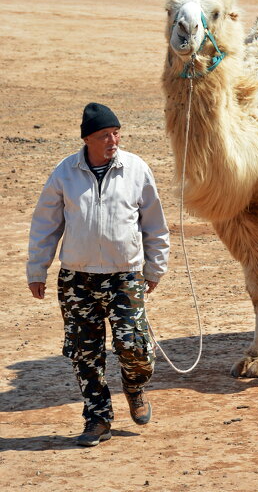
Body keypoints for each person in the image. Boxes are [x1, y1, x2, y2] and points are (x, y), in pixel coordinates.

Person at [27, 102, 170, 447]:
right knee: (84, 353)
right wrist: (37, 269)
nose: (113, 140)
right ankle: (97, 418)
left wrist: (155, 267)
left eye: (116, 133)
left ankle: (135, 388)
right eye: (105, 135)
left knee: (133, 346)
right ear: (87, 139)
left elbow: (155, 225)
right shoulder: (65, 173)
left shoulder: (136, 169)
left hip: (125, 276)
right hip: (77, 279)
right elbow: (45, 225)